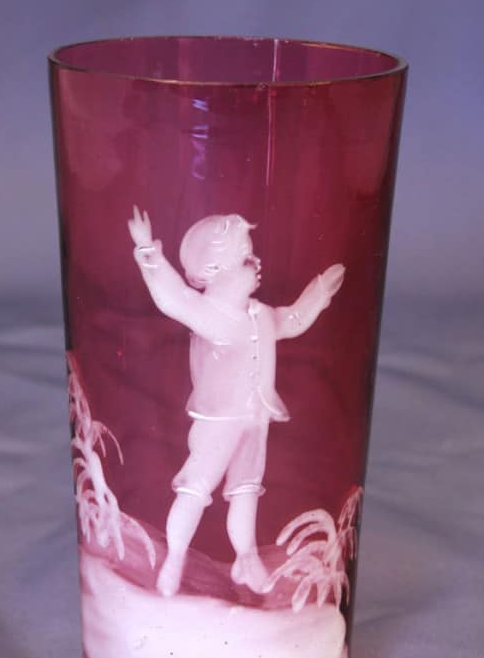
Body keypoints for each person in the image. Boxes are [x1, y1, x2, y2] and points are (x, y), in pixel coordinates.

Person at [128, 205, 345, 597]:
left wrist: (318, 292)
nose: (256, 263)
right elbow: (172, 297)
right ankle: (174, 559)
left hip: (254, 416)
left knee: (246, 488)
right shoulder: (209, 314)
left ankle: (246, 559)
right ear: (213, 269)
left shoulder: (260, 315)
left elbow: (292, 320)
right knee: (196, 487)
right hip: (219, 421)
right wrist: (148, 251)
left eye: (253, 254)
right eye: (245, 258)